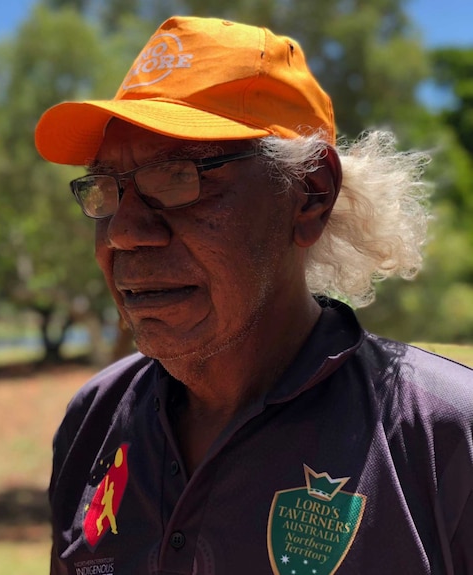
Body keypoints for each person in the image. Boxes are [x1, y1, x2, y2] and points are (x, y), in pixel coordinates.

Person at [34, 15, 473, 575]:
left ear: (309, 193)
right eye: (105, 189)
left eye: (178, 176)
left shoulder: (444, 436)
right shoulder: (94, 419)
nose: (123, 231)